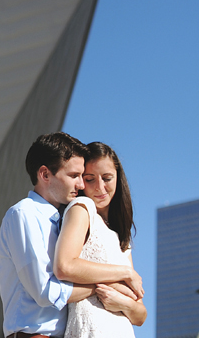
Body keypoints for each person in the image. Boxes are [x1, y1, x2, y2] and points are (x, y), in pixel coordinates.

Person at [0, 133, 141, 338]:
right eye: (74, 176)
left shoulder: (61, 221)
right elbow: (46, 292)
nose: (81, 185)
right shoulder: (24, 214)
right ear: (45, 174)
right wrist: (108, 284)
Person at [54, 142, 147, 337]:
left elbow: (140, 315)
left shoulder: (120, 234)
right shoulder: (82, 207)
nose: (100, 187)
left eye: (107, 178)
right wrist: (125, 274)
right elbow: (65, 266)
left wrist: (123, 303)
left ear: (118, 177)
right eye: (90, 179)